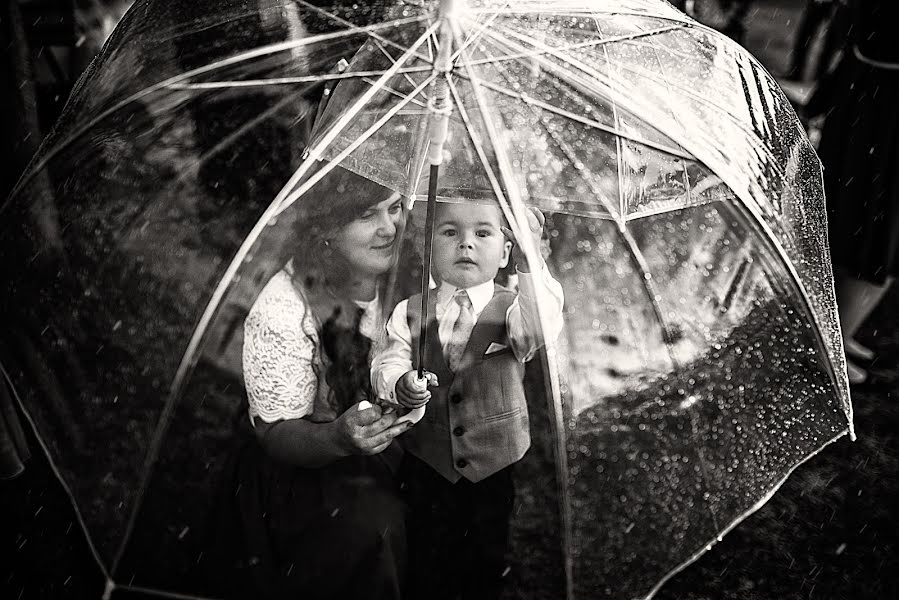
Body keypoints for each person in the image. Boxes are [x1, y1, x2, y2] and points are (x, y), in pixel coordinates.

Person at [212, 167, 414, 599]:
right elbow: (276, 432)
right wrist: (338, 440)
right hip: (311, 468)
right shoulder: (286, 305)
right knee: (371, 534)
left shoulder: (418, 270)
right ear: (326, 229)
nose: (389, 228)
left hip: (397, 452)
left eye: (395, 208)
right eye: (366, 215)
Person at [370, 200, 564, 599]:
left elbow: (543, 324)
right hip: (427, 462)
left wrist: (531, 261)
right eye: (449, 232)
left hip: (493, 465)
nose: (465, 245)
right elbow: (387, 359)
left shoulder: (514, 311)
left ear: (506, 251)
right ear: (429, 245)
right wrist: (399, 381)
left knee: (483, 557)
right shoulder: (411, 310)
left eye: (482, 233)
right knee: (425, 553)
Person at [809, 0, 899, 384]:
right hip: (884, 108)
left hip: (870, 97)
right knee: (875, 231)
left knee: (860, 222)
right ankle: (832, 342)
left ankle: (838, 333)